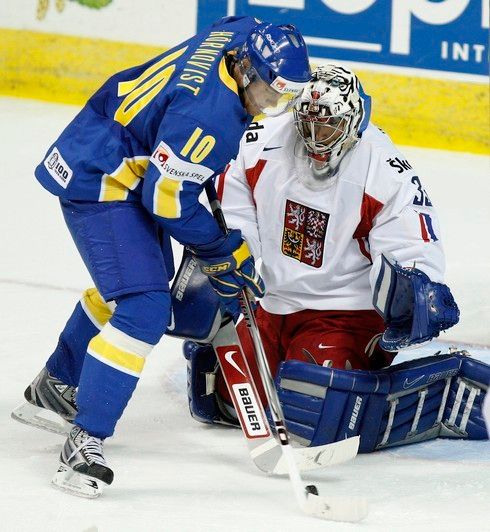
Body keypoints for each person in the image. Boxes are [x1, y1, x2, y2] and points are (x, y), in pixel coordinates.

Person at [11, 16, 311, 497]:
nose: (274, 106)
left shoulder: (241, 34)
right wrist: (220, 250)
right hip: (102, 177)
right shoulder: (205, 121)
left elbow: (227, 25)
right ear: (247, 70)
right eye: (270, 95)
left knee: (142, 284)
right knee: (145, 305)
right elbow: (166, 200)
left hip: (123, 139)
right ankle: (84, 440)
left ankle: (56, 387)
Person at [183, 65, 489, 451]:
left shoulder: (384, 171)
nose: (314, 138)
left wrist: (415, 289)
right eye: (306, 124)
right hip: (273, 304)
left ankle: (434, 393)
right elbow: (234, 192)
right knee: (228, 398)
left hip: (346, 315)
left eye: (326, 127)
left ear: (353, 122)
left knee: (315, 414)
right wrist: (235, 248)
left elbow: (414, 248)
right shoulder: (263, 140)